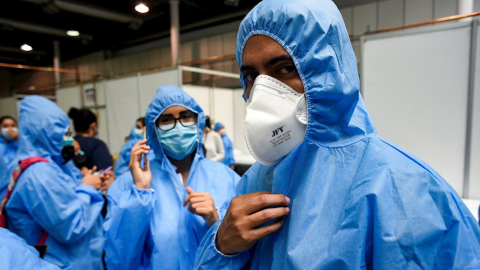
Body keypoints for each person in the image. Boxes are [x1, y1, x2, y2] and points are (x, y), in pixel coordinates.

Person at [194, 0, 480, 269]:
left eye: (284, 68)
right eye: (250, 77)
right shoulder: (259, 179)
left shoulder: (405, 191)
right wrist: (223, 246)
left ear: (327, 72)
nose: (261, 92)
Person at [104, 85, 240, 270]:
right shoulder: (127, 186)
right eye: (167, 120)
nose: (178, 126)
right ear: (154, 128)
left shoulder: (226, 179)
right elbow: (119, 262)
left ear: (197, 121)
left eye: (185, 117)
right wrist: (140, 193)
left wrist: (215, 221)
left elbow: (243, 253)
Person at [5, 96, 106, 270]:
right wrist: (88, 187)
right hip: (61, 262)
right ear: (45, 132)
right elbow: (70, 226)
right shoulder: (38, 174)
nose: (68, 139)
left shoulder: (49, 165)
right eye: (64, 133)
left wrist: (87, 181)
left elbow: (68, 193)